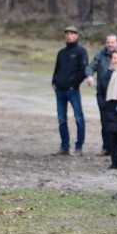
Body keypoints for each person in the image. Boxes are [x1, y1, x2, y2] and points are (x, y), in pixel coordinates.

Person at [51, 25, 88, 156]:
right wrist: (54, 82)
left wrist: (74, 84)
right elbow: (57, 68)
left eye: (72, 33)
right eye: (67, 33)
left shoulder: (81, 51)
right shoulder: (61, 52)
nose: (69, 35)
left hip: (72, 90)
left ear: (76, 35)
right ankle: (64, 147)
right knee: (61, 119)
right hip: (60, 90)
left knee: (79, 118)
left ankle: (79, 147)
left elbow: (84, 70)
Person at [86, 33, 117, 156]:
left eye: (112, 42)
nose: (110, 44)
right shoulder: (100, 55)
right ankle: (107, 147)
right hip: (103, 94)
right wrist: (90, 76)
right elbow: (90, 67)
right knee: (105, 121)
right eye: (108, 42)